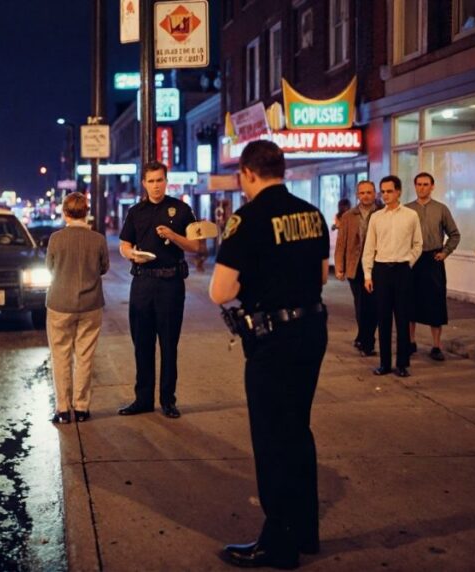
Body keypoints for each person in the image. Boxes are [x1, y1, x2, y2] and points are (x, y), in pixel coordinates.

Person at [209, 140, 329, 569]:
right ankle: (305, 531)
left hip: (272, 339)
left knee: (272, 439)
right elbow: (321, 274)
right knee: (298, 430)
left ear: (247, 173)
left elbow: (220, 291)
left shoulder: (248, 218)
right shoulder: (312, 215)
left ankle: (278, 542)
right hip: (312, 329)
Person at [118, 161, 205, 419]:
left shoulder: (181, 210)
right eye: (151, 181)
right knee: (142, 344)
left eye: (160, 180)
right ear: (143, 183)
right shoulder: (136, 212)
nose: (156, 186)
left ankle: (168, 400)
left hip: (170, 284)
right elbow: (124, 243)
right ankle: (143, 399)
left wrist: (173, 235)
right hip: (143, 282)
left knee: (168, 344)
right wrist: (131, 254)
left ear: (167, 181)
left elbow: (196, 246)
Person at [45, 192, 110, 424]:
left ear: (65, 213)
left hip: (59, 304)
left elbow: (50, 267)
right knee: (85, 356)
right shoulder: (98, 239)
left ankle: (63, 409)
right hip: (91, 304)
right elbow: (104, 268)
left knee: (60, 356)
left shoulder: (56, 239)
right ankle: (82, 408)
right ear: (86, 211)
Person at [363, 175, 423, 378]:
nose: (385, 195)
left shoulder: (411, 215)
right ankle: (384, 363)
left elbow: (418, 244)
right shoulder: (376, 217)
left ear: (398, 192)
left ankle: (403, 364)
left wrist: (408, 262)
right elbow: (369, 247)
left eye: (389, 191)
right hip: (381, 270)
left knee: (403, 318)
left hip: (402, 270)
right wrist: (368, 274)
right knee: (383, 318)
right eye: (383, 191)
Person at [405, 172, 460, 361]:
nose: (422, 188)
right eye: (419, 184)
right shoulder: (407, 210)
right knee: (409, 301)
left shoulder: (441, 209)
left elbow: (454, 234)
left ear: (432, 186)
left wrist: (445, 252)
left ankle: (436, 346)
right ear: (415, 186)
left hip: (432, 260)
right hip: (412, 261)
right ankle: (410, 342)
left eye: (426, 184)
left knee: (435, 302)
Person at [335, 180, 381, 356]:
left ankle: (365, 338)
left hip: (377, 265)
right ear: (357, 195)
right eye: (362, 193)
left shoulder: (382, 213)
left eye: (369, 192)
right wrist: (340, 267)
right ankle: (365, 340)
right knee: (361, 305)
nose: (366, 196)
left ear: (375, 193)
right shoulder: (348, 216)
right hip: (355, 266)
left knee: (374, 305)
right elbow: (341, 244)